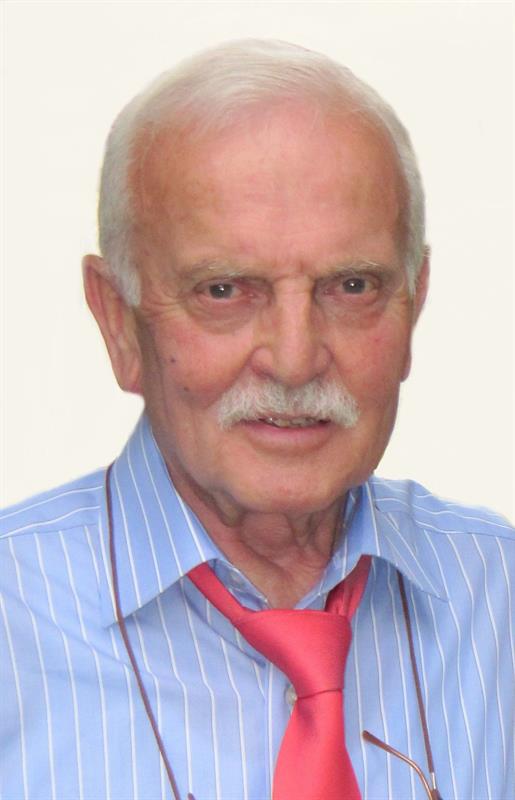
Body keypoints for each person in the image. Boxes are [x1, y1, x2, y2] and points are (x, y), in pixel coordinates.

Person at [1, 39, 513, 800]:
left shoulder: (499, 599)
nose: (295, 361)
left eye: (351, 286)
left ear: (414, 304)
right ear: (117, 321)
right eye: (224, 291)